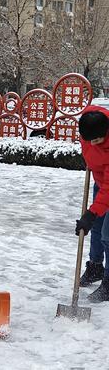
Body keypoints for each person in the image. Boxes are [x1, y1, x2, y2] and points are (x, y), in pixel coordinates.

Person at [76, 105, 109, 302]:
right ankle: (96, 267)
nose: (92, 144)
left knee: (107, 234)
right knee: (96, 228)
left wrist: (91, 212)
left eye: (97, 140)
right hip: (100, 180)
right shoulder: (89, 122)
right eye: (88, 140)